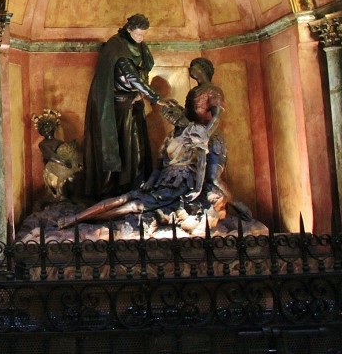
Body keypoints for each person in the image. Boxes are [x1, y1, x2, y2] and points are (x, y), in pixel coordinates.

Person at [60, 57, 224, 229]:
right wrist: (151, 181)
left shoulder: (195, 132)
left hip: (178, 186)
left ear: (180, 112)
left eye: (172, 114)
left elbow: (202, 161)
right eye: (167, 116)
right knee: (124, 198)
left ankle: (85, 220)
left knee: (132, 205)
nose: (170, 118)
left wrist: (196, 189)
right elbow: (159, 165)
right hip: (161, 183)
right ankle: (77, 218)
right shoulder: (170, 137)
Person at [80, 13, 163, 199]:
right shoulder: (116, 46)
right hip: (114, 106)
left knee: (136, 146)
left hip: (134, 103)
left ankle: (136, 185)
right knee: (118, 145)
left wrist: (140, 94)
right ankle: (113, 189)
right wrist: (154, 97)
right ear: (129, 29)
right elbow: (131, 75)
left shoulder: (140, 46)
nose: (141, 38)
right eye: (138, 34)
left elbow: (142, 71)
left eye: (144, 35)